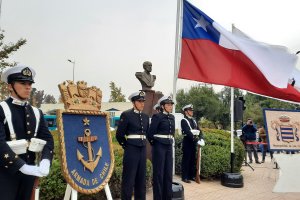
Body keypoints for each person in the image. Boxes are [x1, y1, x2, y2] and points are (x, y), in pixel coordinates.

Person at [0, 65, 54, 200]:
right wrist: (21, 166)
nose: (28, 87)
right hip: (5, 175)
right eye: (23, 83)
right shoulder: (1, 109)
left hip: (29, 175)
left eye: (29, 83)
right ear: (10, 86)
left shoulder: (36, 112)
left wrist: (46, 160)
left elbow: (48, 139)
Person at [116, 91, 149, 200]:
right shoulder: (126, 115)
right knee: (128, 179)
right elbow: (119, 135)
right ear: (134, 102)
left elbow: (146, 133)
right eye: (140, 101)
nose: (142, 104)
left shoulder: (145, 117)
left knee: (141, 179)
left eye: (143, 101)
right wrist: (127, 146)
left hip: (142, 149)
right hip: (131, 150)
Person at [148, 96, 175, 200]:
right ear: (162, 106)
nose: (170, 106)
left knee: (168, 173)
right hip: (159, 146)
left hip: (168, 146)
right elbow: (150, 134)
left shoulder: (172, 117)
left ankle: (167, 197)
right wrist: (156, 144)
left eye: (171, 104)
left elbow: (172, 133)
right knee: (159, 173)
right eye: (168, 105)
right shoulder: (157, 117)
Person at [180, 104, 203, 183]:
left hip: (194, 142)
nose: (191, 112)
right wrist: (195, 138)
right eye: (190, 110)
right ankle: (184, 177)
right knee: (186, 159)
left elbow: (199, 130)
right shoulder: (184, 120)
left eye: (192, 110)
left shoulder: (194, 120)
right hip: (187, 142)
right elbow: (187, 131)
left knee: (193, 159)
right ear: (186, 112)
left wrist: (201, 137)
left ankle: (191, 175)